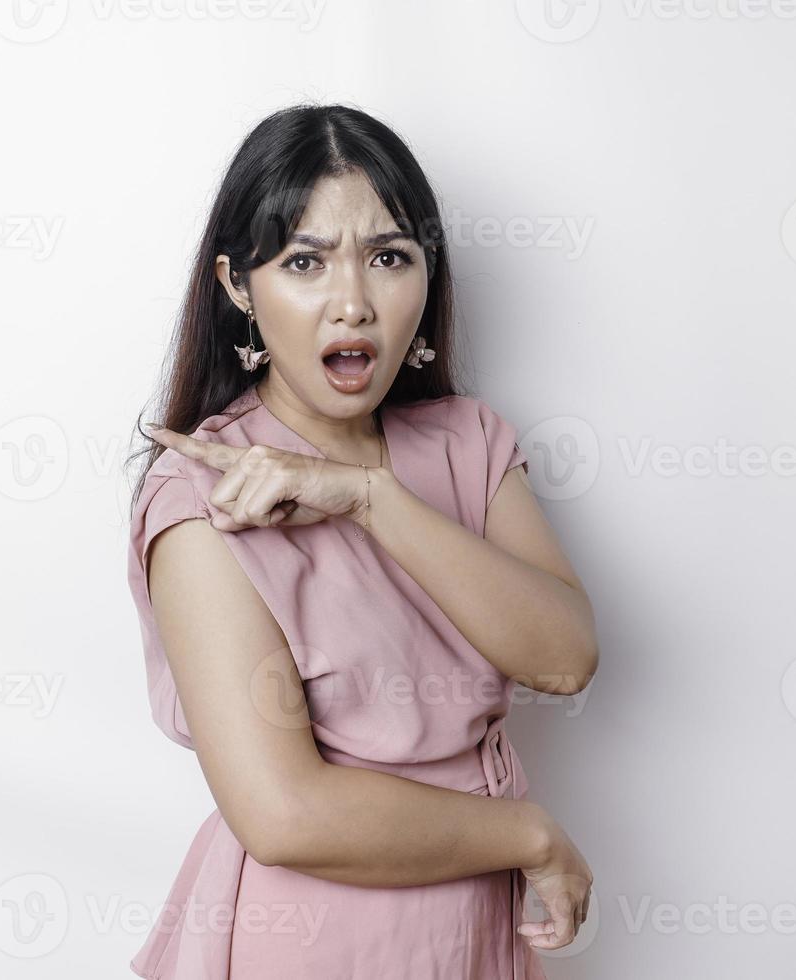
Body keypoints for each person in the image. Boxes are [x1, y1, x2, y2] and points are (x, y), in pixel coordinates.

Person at [126, 103, 598, 979]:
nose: (353, 303)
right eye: (305, 262)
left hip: (473, 930)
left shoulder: (466, 442)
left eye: (388, 258)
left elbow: (565, 659)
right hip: (310, 937)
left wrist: (371, 499)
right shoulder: (202, 499)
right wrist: (527, 834)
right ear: (238, 286)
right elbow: (284, 815)